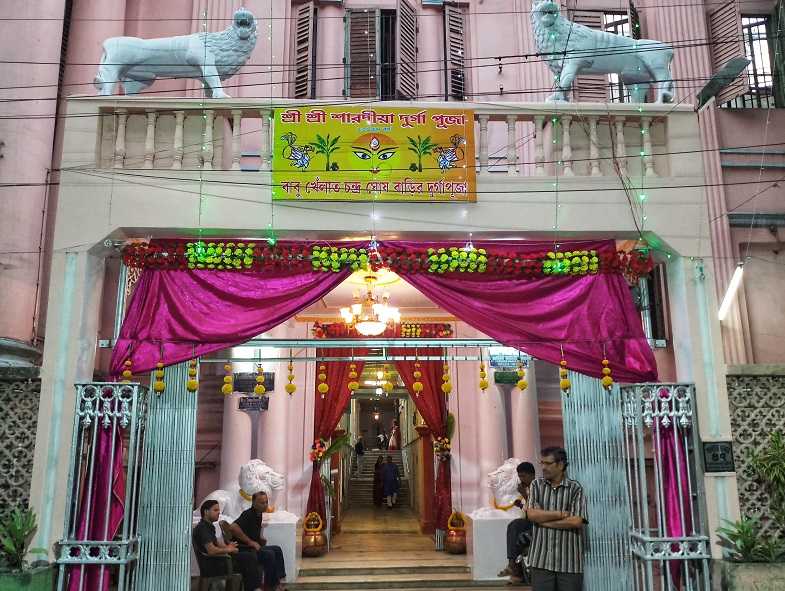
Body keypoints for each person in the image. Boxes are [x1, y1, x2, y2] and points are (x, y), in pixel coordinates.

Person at [525, 447, 588, 591]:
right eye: (542, 463)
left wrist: (543, 520)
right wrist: (560, 514)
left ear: (560, 465)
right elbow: (532, 515)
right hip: (540, 561)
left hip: (569, 563)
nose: (543, 467)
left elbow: (576, 521)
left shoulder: (575, 488)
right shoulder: (536, 485)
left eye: (548, 463)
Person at [193, 499, 261, 591]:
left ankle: (252, 587)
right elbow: (211, 550)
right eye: (215, 510)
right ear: (206, 512)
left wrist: (229, 546)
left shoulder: (208, 526)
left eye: (219, 510)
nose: (218, 513)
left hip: (218, 561)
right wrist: (228, 550)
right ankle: (253, 588)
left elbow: (216, 542)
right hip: (213, 564)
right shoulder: (203, 529)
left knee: (248, 556)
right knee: (249, 558)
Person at [230, 492, 287, 591]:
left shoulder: (259, 514)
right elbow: (233, 527)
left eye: (266, 502)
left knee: (277, 549)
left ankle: (279, 582)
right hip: (244, 549)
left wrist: (260, 539)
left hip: (253, 548)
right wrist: (250, 542)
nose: (265, 505)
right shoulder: (248, 514)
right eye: (261, 503)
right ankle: (270, 587)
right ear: (253, 503)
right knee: (269, 554)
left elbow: (251, 530)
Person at [498, 461, 537, 585]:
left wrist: (525, 495)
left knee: (516, 527)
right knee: (513, 527)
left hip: (538, 524)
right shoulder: (526, 488)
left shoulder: (538, 487)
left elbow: (537, 508)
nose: (521, 479)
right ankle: (514, 568)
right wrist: (520, 504)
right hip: (529, 521)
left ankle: (513, 567)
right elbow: (528, 508)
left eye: (523, 476)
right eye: (519, 476)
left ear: (532, 475)